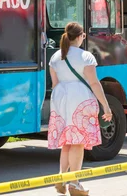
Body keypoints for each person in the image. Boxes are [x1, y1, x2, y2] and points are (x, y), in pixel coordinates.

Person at [48, 22, 112, 196]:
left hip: (60, 99)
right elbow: (94, 83)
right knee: (78, 141)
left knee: (67, 141)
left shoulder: (54, 57)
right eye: (84, 35)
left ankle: (62, 177)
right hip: (80, 98)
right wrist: (105, 105)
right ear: (79, 36)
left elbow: (55, 84)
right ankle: (75, 183)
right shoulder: (86, 56)